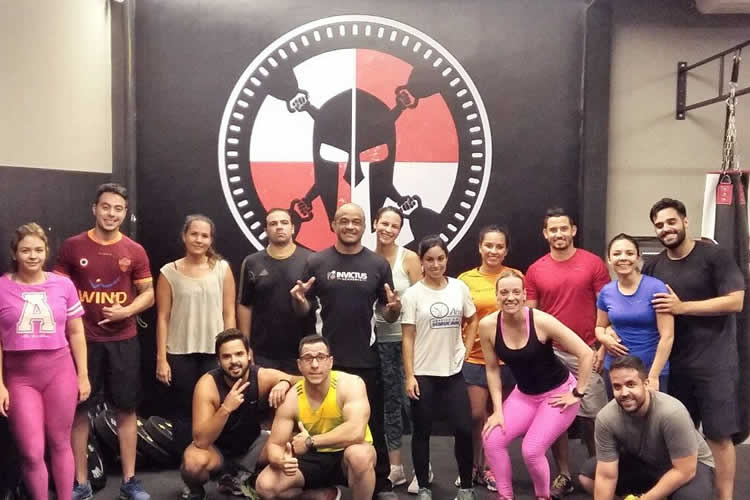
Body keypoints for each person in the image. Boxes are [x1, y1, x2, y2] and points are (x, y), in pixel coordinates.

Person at [291, 202, 401, 499]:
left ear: (365, 227)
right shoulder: (316, 261)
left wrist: (395, 309)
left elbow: (388, 312)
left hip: (365, 359)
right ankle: (320, 479)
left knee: (371, 423)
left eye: (356, 221)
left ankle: (380, 483)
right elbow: (303, 310)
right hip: (324, 361)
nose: (350, 226)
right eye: (344, 221)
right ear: (333, 224)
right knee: (322, 421)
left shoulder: (378, 265)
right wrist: (299, 301)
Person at [55, 183, 155, 500]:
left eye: (118, 209)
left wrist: (127, 310)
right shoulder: (72, 247)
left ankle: (130, 482)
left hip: (123, 341)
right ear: (94, 209)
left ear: (125, 213)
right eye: (106, 207)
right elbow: (57, 291)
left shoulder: (134, 250)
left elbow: (149, 293)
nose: (111, 214)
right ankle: (80, 483)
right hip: (83, 343)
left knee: (127, 410)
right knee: (79, 412)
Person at [643, 198, 744, 500]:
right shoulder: (654, 265)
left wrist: (682, 307)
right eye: (659, 225)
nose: (666, 229)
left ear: (685, 221)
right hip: (673, 366)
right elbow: (640, 307)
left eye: (671, 222)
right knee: (677, 436)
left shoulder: (714, 256)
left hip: (714, 364)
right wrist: (608, 330)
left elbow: (735, 301)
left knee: (718, 435)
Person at [480, 269, 593, 500]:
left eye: (516, 292)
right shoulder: (488, 325)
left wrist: (577, 393)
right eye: (504, 292)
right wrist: (498, 411)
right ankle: (505, 496)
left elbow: (586, 353)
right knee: (491, 439)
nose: (510, 297)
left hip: (557, 393)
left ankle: (543, 496)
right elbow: (492, 369)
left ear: (524, 295)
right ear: (497, 295)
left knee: (531, 451)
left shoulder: (541, 321)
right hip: (524, 395)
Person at [0, 223, 90, 500]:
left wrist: (83, 375)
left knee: (61, 443)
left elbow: (76, 332)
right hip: (20, 378)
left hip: (60, 372)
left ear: (46, 252)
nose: (33, 256)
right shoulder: (1, 287)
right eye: (26, 250)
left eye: (38, 250)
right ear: (15, 253)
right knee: (31, 451)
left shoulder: (63, 284)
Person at [524, 207, 610, 498]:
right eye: (553, 229)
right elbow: (531, 316)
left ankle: (599, 473)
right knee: (555, 417)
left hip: (586, 351)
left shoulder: (593, 263)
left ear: (573, 230)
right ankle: (564, 474)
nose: (559, 233)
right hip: (552, 355)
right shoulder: (535, 270)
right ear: (545, 233)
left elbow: (606, 307)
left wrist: (601, 347)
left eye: (564, 228)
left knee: (594, 418)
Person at [401, 235, 478, 500]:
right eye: (430, 260)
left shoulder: (459, 288)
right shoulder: (412, 295)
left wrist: (466, 348)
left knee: (464, 430)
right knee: (422, 432)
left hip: (453, 372)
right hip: (423, 374)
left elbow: (472, 319)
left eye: (440, 258)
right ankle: (423, 486)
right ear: (421, 262)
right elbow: (407, 336)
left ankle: (466, 487)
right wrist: (409, 375)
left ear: (447, 259)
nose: (436, 265)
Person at [181, 328, 298, 500]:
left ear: (249, 355)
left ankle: (247, 478)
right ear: (218, 361)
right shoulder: (207, 385)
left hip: (253, 447)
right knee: (193, 463)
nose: (234, 361)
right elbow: (201, 441)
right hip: (217, 452)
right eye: (227, 356)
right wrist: (226, 408)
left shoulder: (262, 376)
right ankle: (196, 491)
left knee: (295, 444)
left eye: (239, 354)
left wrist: (285, 382)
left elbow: (301, 380)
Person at [255, 335, 376, 500]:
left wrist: (310, 441)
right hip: (313, 457)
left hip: (346, 453)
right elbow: (275, 444)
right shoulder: (292, 398)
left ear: (330, 362)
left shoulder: (350, 384)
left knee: (360, 455)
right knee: (265, 486)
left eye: (320, 357)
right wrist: (280, 461)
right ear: (299, 365)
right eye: (308, 358)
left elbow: (355, 432)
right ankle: (320, 495)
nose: (314, 365)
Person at [577, 355, 715, 500]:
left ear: (646, 383)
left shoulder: (672, 412)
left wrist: (645, 499)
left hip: (690, 464)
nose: (624, 393)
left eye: (631, 384)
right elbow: (606, 476)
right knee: (588, 477)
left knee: (689, 497)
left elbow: (685, 470)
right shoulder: (606, 418)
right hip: (646, 462)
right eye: (617, 386)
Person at [155, 215, 236, 452]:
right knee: (184, 410)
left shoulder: (222, 269)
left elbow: (229, 312)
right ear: (184, 236)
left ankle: (215, 461)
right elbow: (162, 317)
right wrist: (161, 358)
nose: (199, 240)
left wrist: (230, 350)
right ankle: (186, 461)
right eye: (194, 234)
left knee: (217, 407)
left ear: (211, 240)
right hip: (179, 353)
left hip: (215, 353)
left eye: (204, 236)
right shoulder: (169, 272)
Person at [457, 225, 520, 491]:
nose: (494, 251)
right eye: (489, 245)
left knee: (499, 417)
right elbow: (460, 319)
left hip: (508, 360)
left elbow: (523, 316)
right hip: (474, 358)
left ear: (506, 250)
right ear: (480, 247)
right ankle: (473, 465)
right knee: (475, 416)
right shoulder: (465, 279)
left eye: (499, 246)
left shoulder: (515, 277)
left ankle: (492, 469)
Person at [371, 207, 421, 488]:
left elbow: (423, 299)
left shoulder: (409, 258)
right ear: (375, 223)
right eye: (384, 223)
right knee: (388, 407)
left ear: (400, 230)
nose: (388, 229)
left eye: (394, 226)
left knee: (412, 406)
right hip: (377, 343)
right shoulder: (366, 258)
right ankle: (396, 467)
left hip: (406, 343)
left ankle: (423, 469)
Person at [237, 208, 316, 373]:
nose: (279, 227)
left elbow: (312, 308)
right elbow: (245, 304)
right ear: (266, 230)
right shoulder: (252, 262)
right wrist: (245, 345)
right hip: (263, 352)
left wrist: (300, 301)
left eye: (284, 223)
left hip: (302, 352)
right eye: (273, 224)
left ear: (292, 228)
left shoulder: (311, 261)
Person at [595, 233, 674, 394]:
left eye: (629, 253)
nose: (623, 258)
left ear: (638, 258)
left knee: (654, 411)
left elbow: (667, 336)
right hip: (616, 371)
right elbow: (599, 327)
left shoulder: (656, 288)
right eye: (617, 254)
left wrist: (653, 376)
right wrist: (604, 339)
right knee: (617, 411)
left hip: (649, 370)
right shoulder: (606, 292)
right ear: (609, 259)